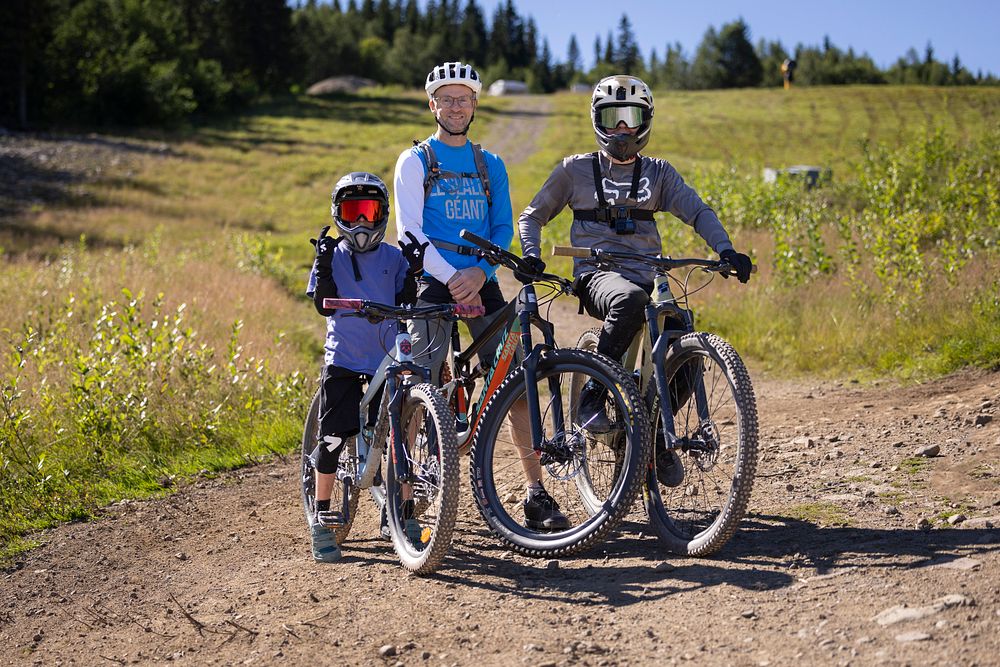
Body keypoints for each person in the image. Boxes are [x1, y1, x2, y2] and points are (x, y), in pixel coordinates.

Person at [517, 74, 753, 486]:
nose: (623, 128)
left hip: (648, 275)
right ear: (597, 120)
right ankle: (592, 397)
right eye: (613, 118)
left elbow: (698, 212)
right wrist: (532, 255)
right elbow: (532, 216)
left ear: (646, 121)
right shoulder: (574, 170)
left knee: (683, 338)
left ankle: (652, 436)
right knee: (628, 301)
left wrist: (726, 250)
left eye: (632, 117)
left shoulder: (659, 173)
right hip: (597, 274)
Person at [393, 61, 569, 531]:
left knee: (516, 383)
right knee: (418, 385)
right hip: (432, 278)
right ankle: (403, 499)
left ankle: (535, 493)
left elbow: (502, 229)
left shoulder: (490, 164)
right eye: (446, 99)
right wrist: (454, 276)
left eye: (463, 99)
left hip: (480, 277)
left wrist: (480, 272)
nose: (455, 107)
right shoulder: (415, 161)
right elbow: (409, 233)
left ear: (474, 104)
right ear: (432, 105)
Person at [305, 171, 422, 562]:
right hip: (343, 359)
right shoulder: (331, 255)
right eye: (352, 212)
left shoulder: (393, 258)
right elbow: (323, 304)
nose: (360, 222)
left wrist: (415, 272)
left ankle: (402, 512)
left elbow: (406, 303)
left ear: (382, 214)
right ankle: (321, 518)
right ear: (338, 214)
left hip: (385, 362)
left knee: (397, 439)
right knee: (333, 438)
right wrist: (322, 266)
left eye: (368, 212)